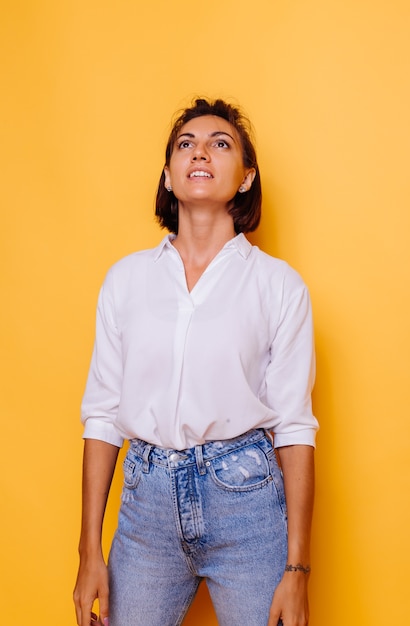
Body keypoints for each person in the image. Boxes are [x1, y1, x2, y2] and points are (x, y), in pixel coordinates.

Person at [73, 98, 318, 626]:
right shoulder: (126, 280)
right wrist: (89, 552)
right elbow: (103, 414)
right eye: (186, 144)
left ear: (247, 177)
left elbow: (295, 428)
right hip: (146, 509)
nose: (200, 151)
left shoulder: (279, 286)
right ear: (169, 174)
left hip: (247, 503)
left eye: (219, 143)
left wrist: (297, 569)